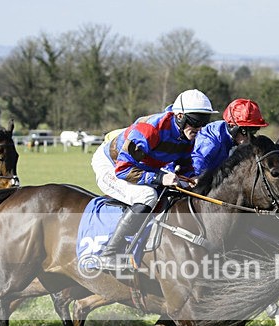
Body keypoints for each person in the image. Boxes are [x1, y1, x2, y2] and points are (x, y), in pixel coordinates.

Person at [91, 89, 217, 269]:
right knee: (147, 196)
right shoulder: (150, 129)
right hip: (111, 165)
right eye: (197, 121)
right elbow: (123, 169)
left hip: (139, 167)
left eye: (205, 121)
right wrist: (160, 178)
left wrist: (192, 178)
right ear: (180, 116)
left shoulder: (186, 134)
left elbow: (185, 163)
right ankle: (109, 253)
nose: (200, 128)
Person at [189, 98, 269, 177]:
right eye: (245, 132)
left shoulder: (236, 139)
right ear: (232, 126)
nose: (249, 138)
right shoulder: (212, 140)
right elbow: (198, 162)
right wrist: (197, 177)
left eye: (253, 131)